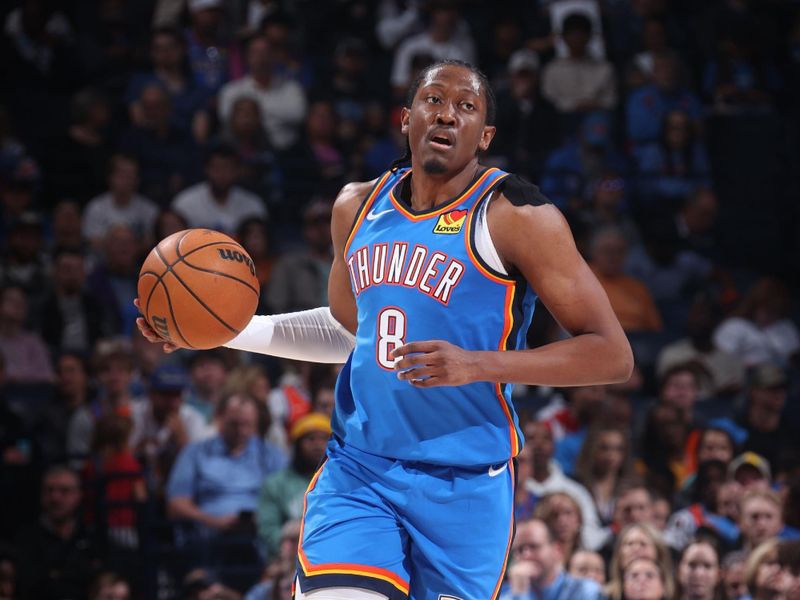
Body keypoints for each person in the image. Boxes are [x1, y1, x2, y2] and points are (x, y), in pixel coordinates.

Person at [138, 59, 632, 599]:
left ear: (484, 135)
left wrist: (478, 363)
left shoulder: (517, 215)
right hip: (360, 472)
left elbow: (612, 355)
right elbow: (349, 333)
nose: (446, 114)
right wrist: (222, 331)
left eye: (466, 107)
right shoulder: (356, 206)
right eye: (433, 100)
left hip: (465, 487)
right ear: (406, 117)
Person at [501, 519, 605, 600]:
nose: (526, 555)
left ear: (556, 550)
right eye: (520, 550)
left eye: (534, 546)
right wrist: (519, 594)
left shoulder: (585, 591)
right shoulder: (504, 594)